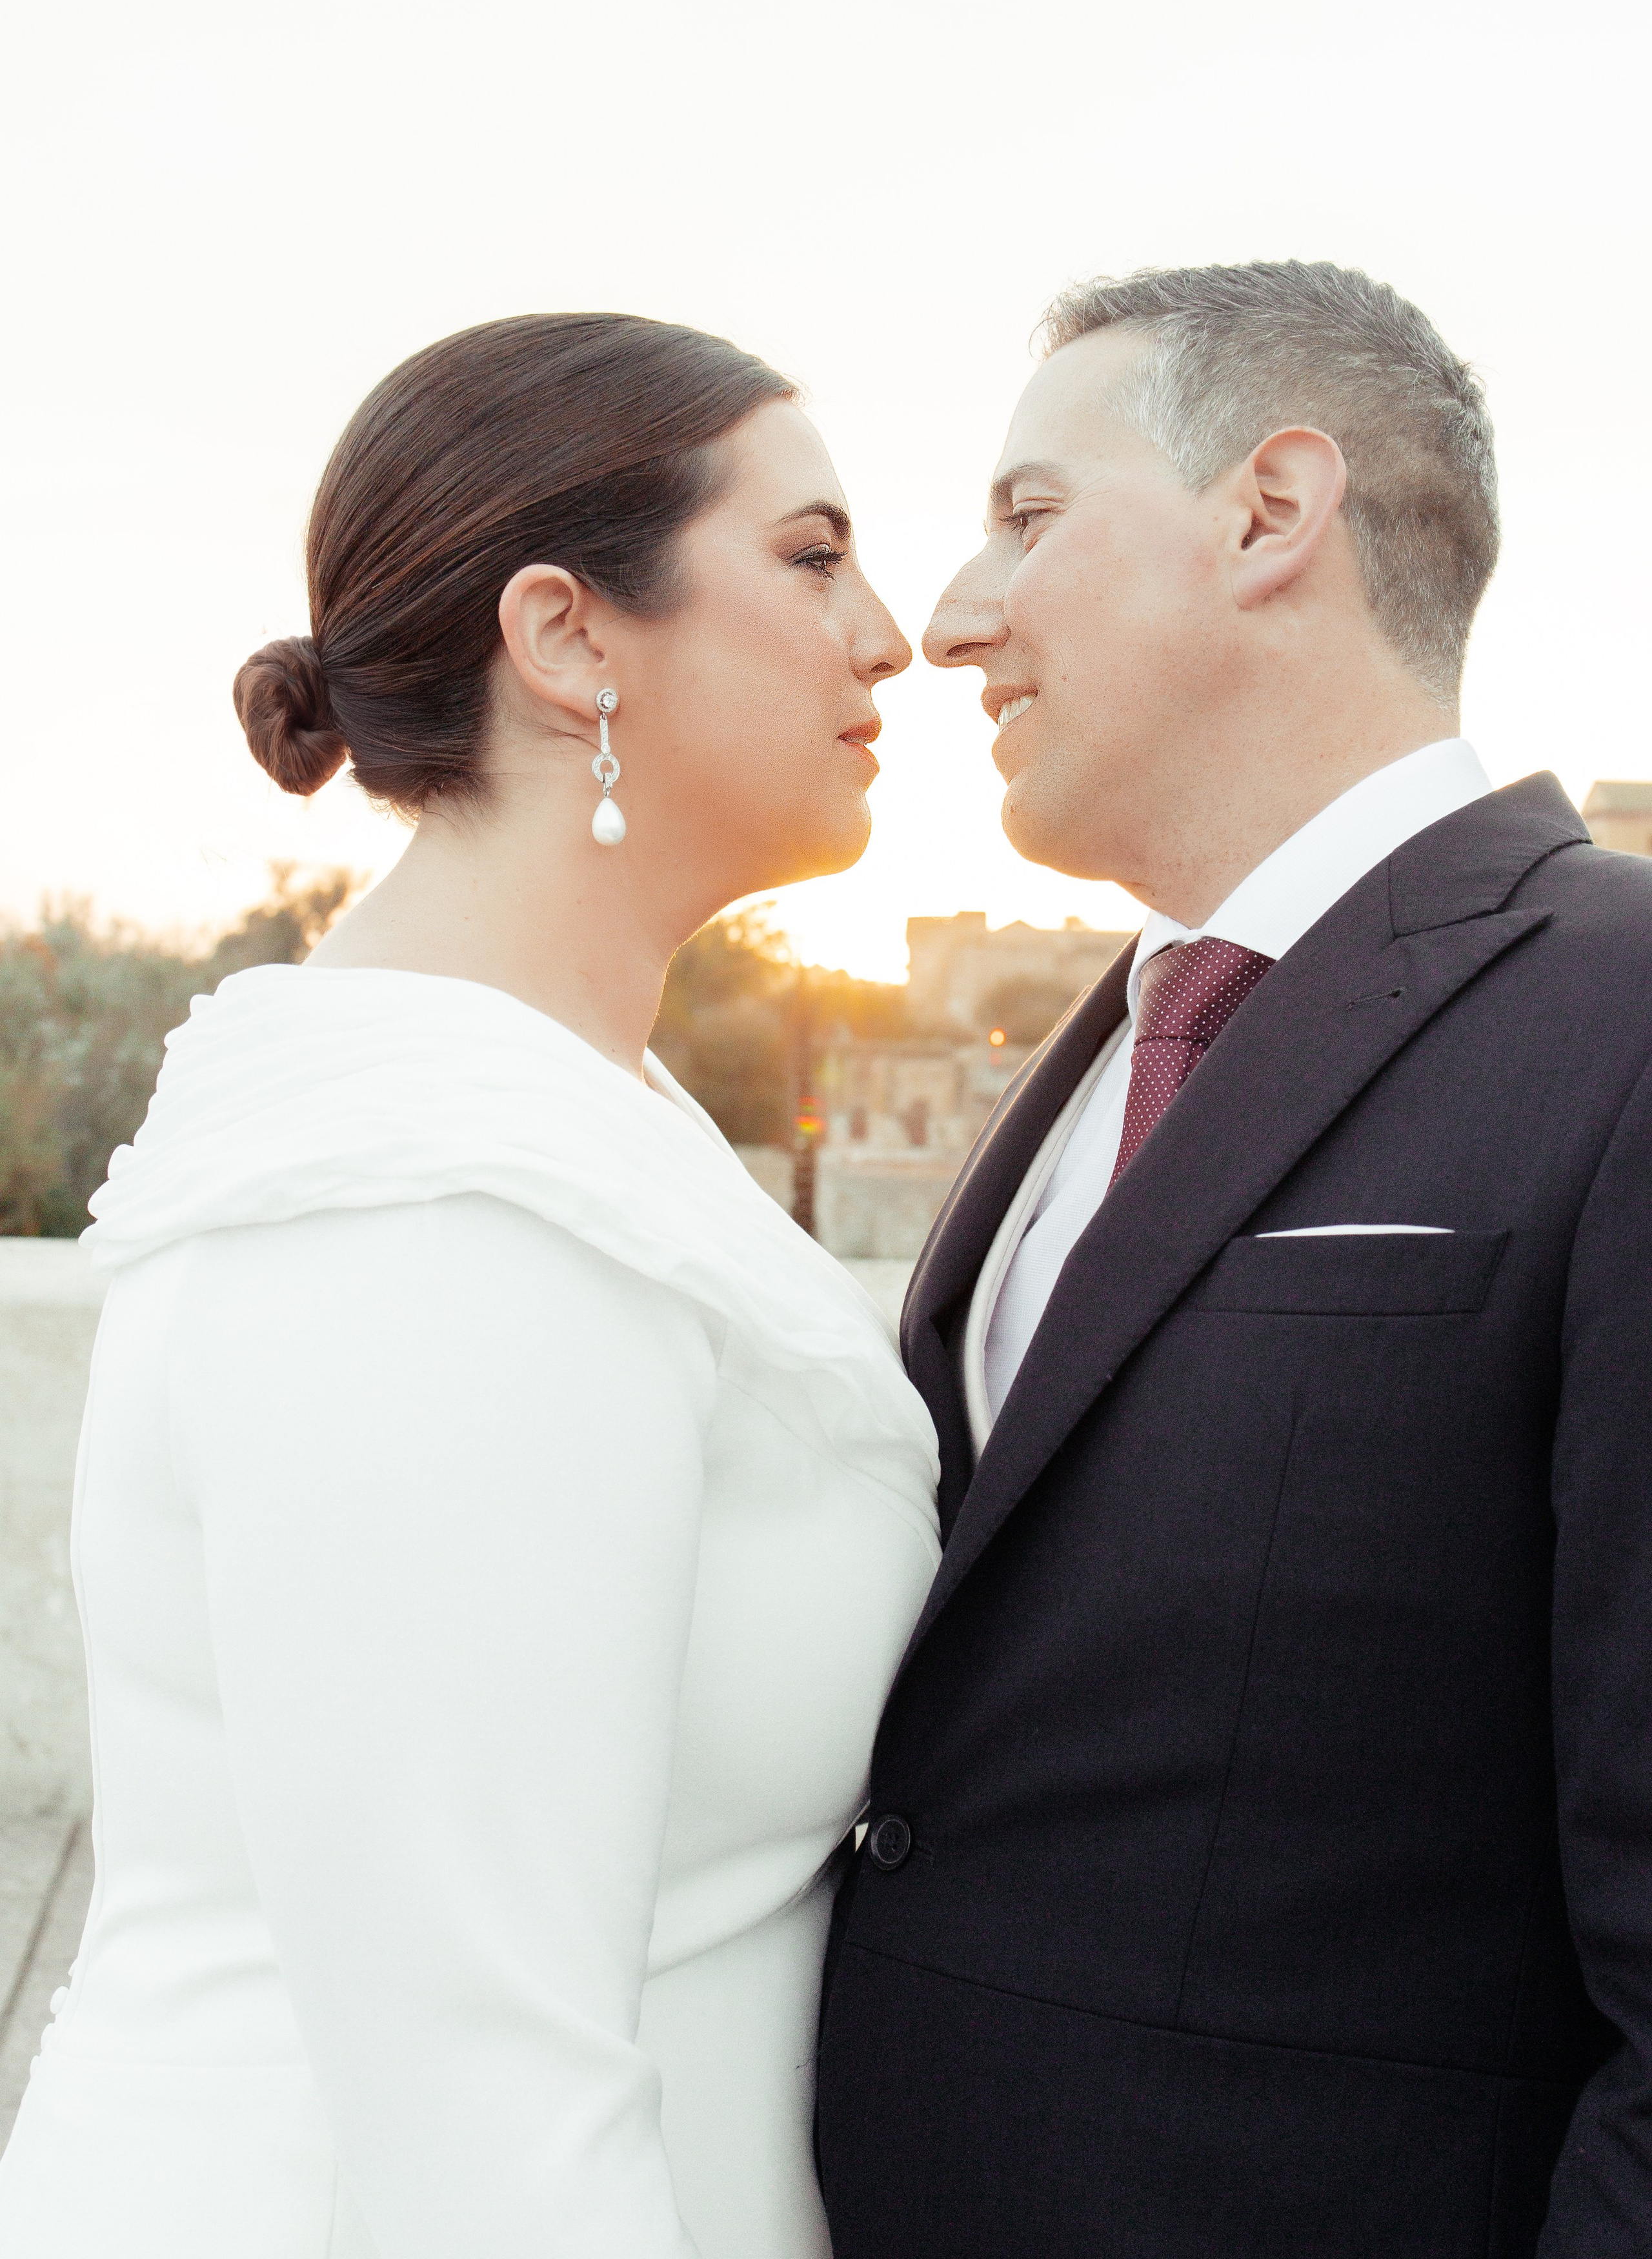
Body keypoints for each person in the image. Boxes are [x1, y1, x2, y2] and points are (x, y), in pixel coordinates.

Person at [0, 313, 940, 2258]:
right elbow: (479, 2104)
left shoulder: (579, 1119)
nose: (892, 635)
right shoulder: (433, 1211)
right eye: (814, 554)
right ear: (570, 638)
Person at [815, 261, 1652, 2256]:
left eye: (1030, 516)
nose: (948, 620)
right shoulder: (1092, 1057)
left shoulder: (1622, 1019)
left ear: (1273, 512)